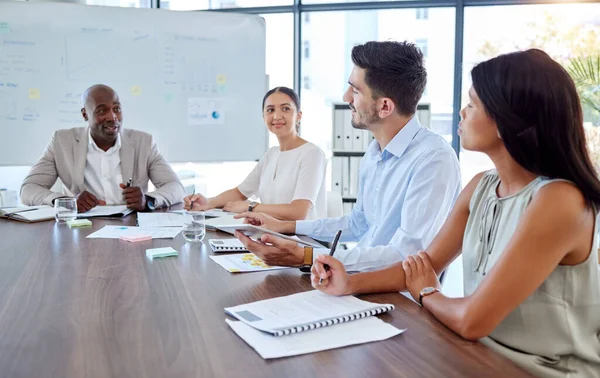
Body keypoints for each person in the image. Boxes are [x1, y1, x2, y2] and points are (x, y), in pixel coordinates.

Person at [311, 49, 600, 378]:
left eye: (473, 103)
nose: (461, 113)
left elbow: (471, 319)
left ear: (507, 120)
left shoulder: (559, 200)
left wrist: (428, 292)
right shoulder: (480, 186)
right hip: (477, 356)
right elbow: (422, 266)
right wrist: (348, 283)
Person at [233, 41, 461, 271]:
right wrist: (288, 227)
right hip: (355, 278)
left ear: (384, 107)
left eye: (355, 90)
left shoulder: (433, 159)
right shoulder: (374, 153)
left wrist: (306, 255)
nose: (345, 97)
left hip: (396, 297)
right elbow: (357, 224)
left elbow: (404, 255)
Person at [20, 84, 185, 212]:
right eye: (102, 110)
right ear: (85, 114)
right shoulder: (62, 142)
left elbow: (175, 187)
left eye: (117, 109)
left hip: (132, 230)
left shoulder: (144, 142)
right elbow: (28, 189)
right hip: (80, 229)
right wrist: (66, 202)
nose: (112, 117)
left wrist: (148, 200)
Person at [184, 87, 327, 221]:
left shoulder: (312, 154)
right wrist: (207, 203)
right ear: (263, 117)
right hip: (271, 234)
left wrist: (251, 207)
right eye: (270, 110)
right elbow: (240, 193)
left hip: (302, 241)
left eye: (285, 109)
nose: (277, 116)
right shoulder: (271, 155)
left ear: (298, 116)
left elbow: (298, 212)